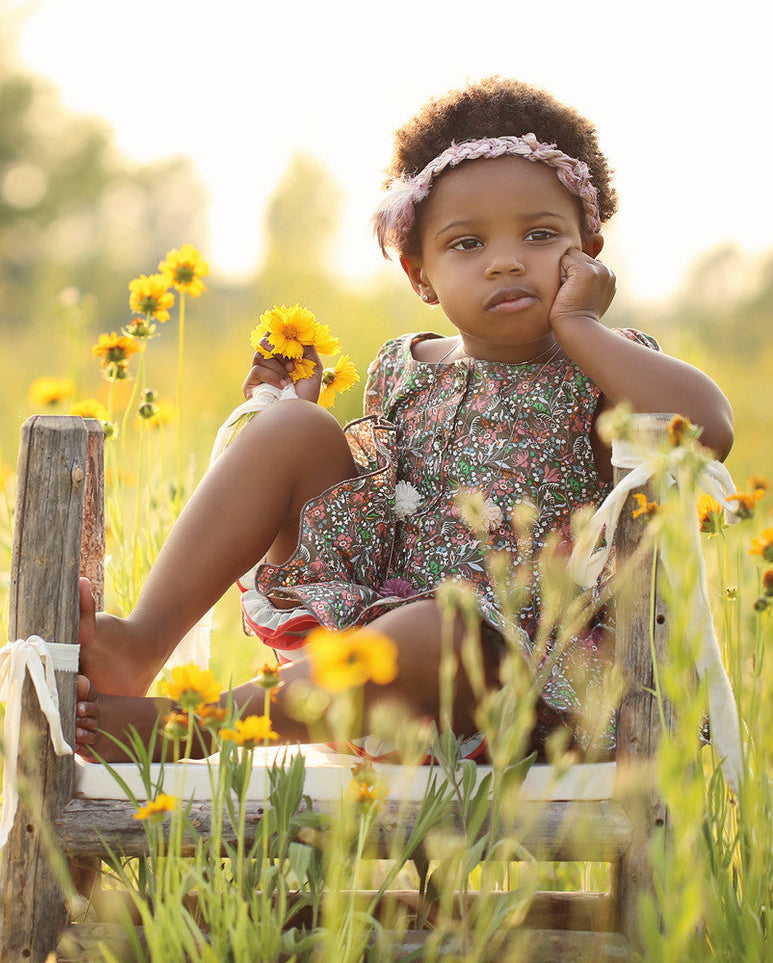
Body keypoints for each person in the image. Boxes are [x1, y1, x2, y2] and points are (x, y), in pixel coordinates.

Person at [72, 77, 734, 763]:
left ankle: (197, 725)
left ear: (587, 250)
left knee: (441, 629)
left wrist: (580, 325)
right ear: (420, 275)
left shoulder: (604, 368)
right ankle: (139, 644)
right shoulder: (402, 368)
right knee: (293, 431)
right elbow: (376, 513)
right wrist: (292, 418)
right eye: (466, 244)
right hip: (381, 653)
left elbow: (707, 430)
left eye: (539, 235)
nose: (506, 261)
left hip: (523, 688)